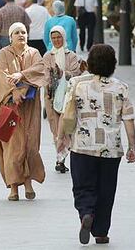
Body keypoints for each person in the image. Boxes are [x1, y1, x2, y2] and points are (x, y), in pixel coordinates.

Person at [57, 44, 135, 245]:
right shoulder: (121, 87)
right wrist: (132, 147)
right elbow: (129, 119)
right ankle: (101, 232)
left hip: (83, 145)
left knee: (83, 186)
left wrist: (61, 138)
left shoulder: (76, 84)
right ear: (113, 64)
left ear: (90, 63)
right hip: (111, 148)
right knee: (107, 189)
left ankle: (86, 213)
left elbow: (66, 114)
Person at [0, 22, 47, 201]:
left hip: (30, 107)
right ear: (10, 37)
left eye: (23, 32)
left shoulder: (34, 53)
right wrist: (15, 92)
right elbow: (1, 75)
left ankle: (29, 183)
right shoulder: (3, 53)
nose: (21, 35)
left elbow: (40, 71)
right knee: (13, 147)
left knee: (30, 144)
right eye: (16, 32)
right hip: (10, 107)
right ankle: (14, 188)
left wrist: (22, 77)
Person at [43, 25, 81, 173]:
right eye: (53, 38)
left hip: (68, 98)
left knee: (67, 127)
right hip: (52, 98)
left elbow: (76, 73)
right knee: (56, 130)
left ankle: (63, 157)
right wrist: (53, 77)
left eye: (59, 37)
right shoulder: (48, 56)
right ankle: (60, 158)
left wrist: (63, 74)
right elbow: (45, 76)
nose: (56, 40)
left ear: (64, 38)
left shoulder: (71, 55)